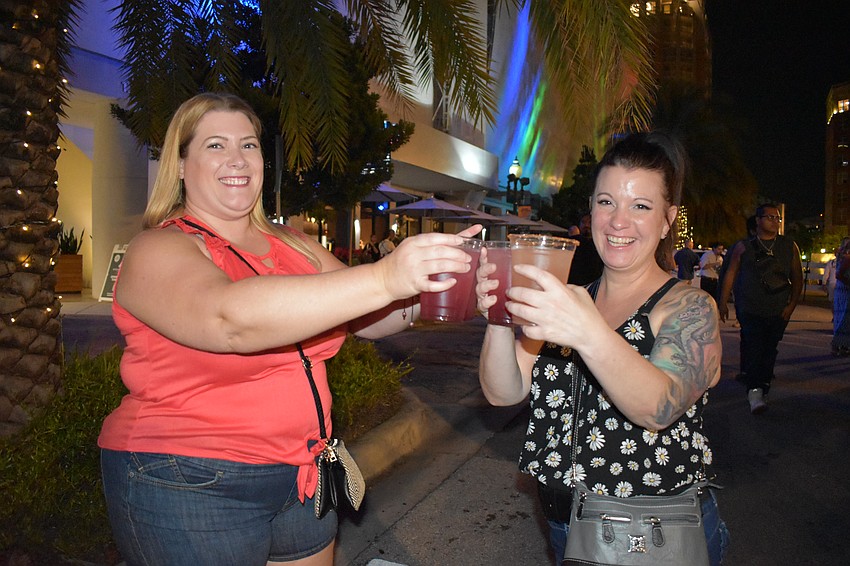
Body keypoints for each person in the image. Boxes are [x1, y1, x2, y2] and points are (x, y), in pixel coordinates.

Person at [97, 92, 482, 566]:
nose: (238, 159)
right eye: (216, 145)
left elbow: (372, 319)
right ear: (179, 165)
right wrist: (385, 277)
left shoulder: (293, 245)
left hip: (302, 471)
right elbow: (229, 320)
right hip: (188, 477)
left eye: (249, 145)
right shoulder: (156, 248)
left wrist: (438, 286)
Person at [476, 131, 728, 565]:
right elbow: (504, 391)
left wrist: (587, 332)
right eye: (606, 201)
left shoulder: (689, 307)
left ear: (667, 219)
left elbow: (659, 407)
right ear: (591, 207)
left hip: (650, 536)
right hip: (566, 527)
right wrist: (499, 315)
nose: (618, 222)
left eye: (640, 206)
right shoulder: (571, 300)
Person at [717, 203, 803, 414]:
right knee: (754, 347)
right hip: (750, 307)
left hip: (778, 308)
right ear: (758, 220)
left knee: (769, 349)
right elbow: (730, 273)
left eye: (777, 218)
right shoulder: (743, 247)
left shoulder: (789, 246)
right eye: (770, 217)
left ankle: (763, 385)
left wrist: (791, 305)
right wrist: (723, 302)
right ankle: (754, 391)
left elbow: (797, 277)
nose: (775, 221)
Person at [567, 213, 604, 286]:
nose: (586, 225)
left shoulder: (600, 244)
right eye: (583, 222)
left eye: (590, 222)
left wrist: (576, 237)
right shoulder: (573, 242)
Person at [831, 237, 850, 356]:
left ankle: (841, 345)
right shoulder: (847, 258)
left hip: (841, 291)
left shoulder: (841, 257)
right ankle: (839, 345)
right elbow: (839, 275)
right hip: (846, 291)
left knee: (841, 318)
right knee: (845, 319)